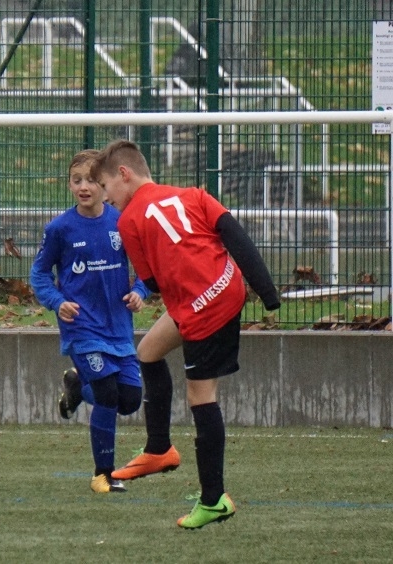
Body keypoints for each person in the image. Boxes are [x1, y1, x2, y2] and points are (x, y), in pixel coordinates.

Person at [91, 139, 280, 529]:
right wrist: (267, 292)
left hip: (204, 307)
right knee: (148, 351)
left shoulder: (128, 221)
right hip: (224, 287)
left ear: (124, 174)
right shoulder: (192, 195)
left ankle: (214, 500)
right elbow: (235, 235)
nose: (106, 198)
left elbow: (150, 282)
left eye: (106, 187)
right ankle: (159, 449)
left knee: (201, 396)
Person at [30, 149, 151, 494]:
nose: (84, 187)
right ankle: (103, 475)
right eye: (76, 180)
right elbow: (39, 274)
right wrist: (58, 302)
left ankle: (77, 389)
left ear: (105, 184)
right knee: (108, 394)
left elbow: (146, 266)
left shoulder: (122, 222)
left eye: (92, 181)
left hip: (118, 327)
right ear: (70, 184)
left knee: (129, 399)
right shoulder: (60, 228)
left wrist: (140, 291)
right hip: (82, 327)